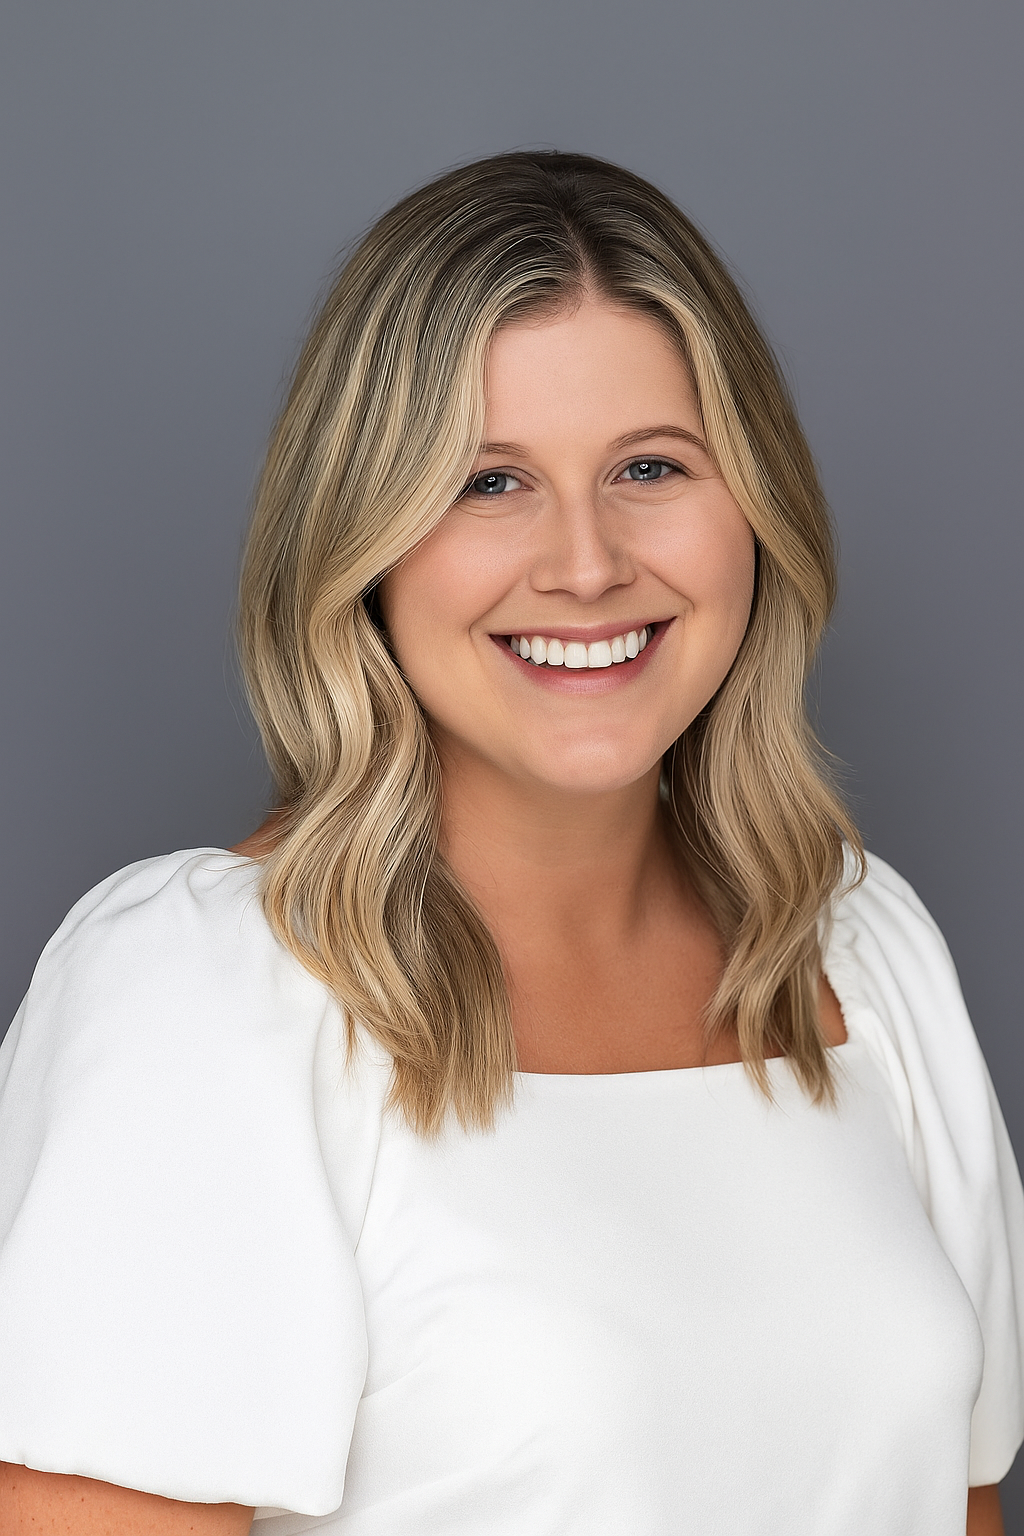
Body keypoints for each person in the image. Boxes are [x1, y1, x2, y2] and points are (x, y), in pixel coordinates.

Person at [0, 150, 1020, 1536]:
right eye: (489, 483)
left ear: (757, 509)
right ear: (362, 543)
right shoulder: (205, 999)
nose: (586, 565)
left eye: (650, 467)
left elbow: (954, 1502)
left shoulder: (862, 949)